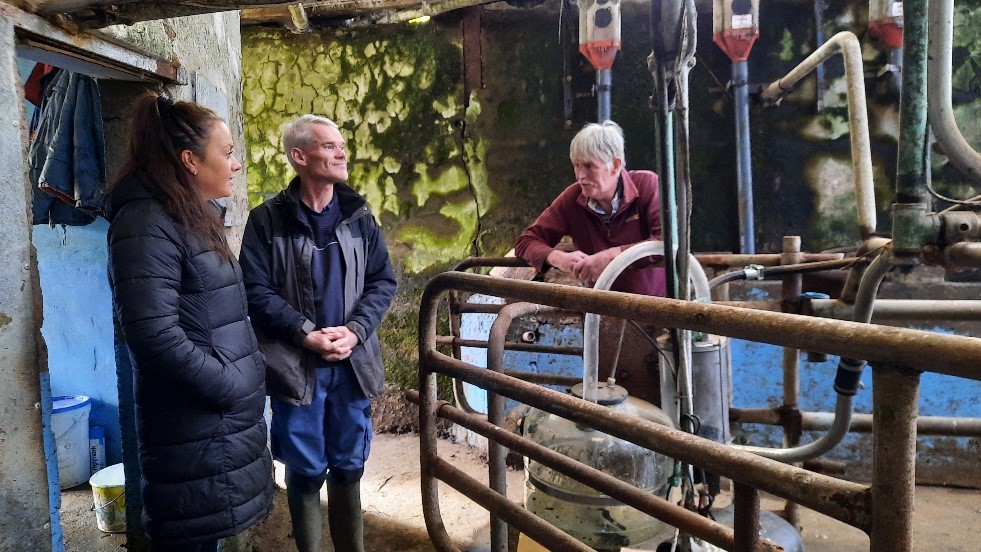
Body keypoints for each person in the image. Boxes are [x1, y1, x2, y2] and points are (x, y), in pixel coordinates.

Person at [104, 93, 274, 551]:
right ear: (190, 160)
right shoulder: (145, 222)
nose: (235, 164)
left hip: (214, 423)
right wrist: (231, 387)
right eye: (227, 152)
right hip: (195, 425)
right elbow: (153, 336)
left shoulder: (189, 216)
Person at [239, 114, 397, 552]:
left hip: (351, 364)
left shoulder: (360, 216)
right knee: (304, 468)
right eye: (329, 146)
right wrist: (304, 333)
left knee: (350, 465)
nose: (341, 153)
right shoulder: (266, 221)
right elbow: (255, 290)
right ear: (300, 156)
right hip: (296, 367)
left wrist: (356, 330)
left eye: (341, 145)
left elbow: (383, 280)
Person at [514, 120, 665, 295]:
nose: (580, 175)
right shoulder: (572, 198)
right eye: (576, 165)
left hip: (657, 305)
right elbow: (526, 241)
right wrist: (557, 258)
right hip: (601, 307)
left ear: (615, 165)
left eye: (589, 166)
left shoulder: (647, 185)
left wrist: (612, 257)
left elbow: (666, 242)